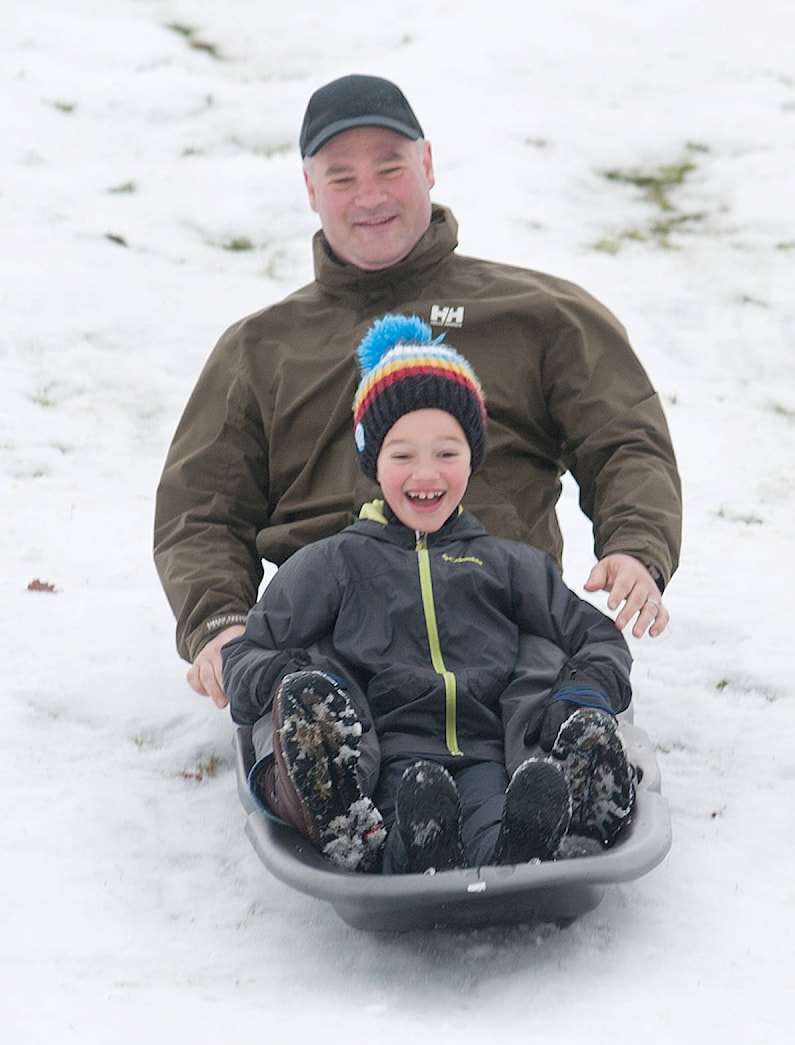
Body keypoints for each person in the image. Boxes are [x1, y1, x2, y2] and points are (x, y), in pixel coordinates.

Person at [153, 73, 682, 771]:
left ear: (427, 165)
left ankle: (563, 778)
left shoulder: (539, 314)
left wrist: (636, 547)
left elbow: (625, 439)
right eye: (341, 177)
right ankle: (331, 790)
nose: (369, 196)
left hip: (507, 625)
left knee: (548, 721)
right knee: (311, 718)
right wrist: (218, 623)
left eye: (390, 167)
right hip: (334, 638)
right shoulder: (260, 350)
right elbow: (202, 508)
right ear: (311, 191)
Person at [221, 315, 637, 874]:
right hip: (386, 757)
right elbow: (244, 655)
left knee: (502, 822)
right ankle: (396, 843)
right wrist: (294, 679)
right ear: (373, 459)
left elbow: (597, 635)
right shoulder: (335, 563)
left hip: (488, 753)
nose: (426, 473)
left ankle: (544, 830)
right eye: (402, 455)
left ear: (473, 456)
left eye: (447, 452)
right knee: (410, 810)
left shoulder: (507, 563)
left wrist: (582, 692)